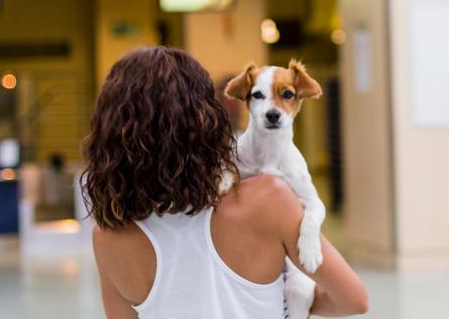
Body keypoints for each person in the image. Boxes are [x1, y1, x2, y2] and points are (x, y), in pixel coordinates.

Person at [84, 46, 369, 318]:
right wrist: (290, 303)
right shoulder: (270, 197)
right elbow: (354, 299)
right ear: (204, 121)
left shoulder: (107, 237)